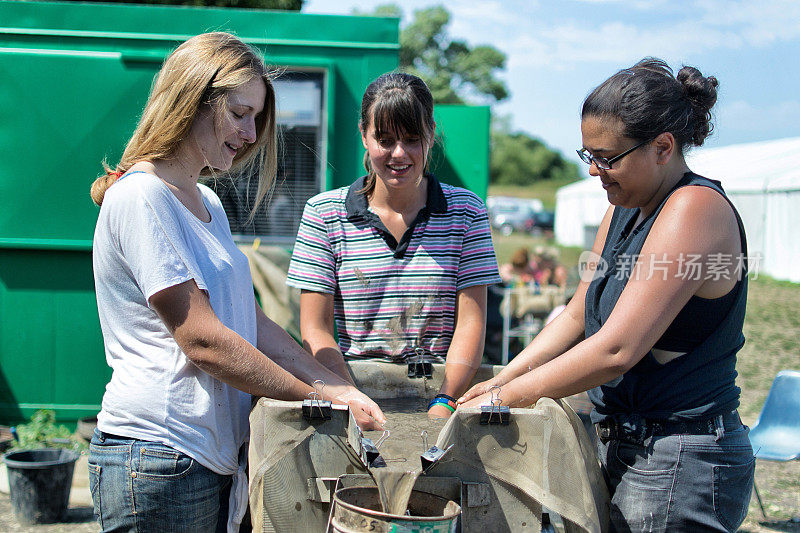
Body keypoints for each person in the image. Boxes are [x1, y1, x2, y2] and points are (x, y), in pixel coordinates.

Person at [88, 32, 385, 533]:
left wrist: (336, 388)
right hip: (157, 455)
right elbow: (204, 341)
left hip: (202, 457)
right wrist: (312, 401)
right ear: (190, 100)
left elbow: (250, 322)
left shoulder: (209, 205)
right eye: (240, 113)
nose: (251, 134)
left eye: (257, 118)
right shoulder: (141, 196)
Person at [460, 58, 754, 532]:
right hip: (623, 441)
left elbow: (617, 349)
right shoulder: (624, 208)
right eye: (588, 155)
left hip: (678, 458)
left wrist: (505, 399)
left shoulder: (694, 208)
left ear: (663, 147)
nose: (596, 171)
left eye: (609, 157)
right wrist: (501, 380)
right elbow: (577, 314)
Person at [287, 72, 501, 418]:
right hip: (352, 392)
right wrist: (347, 397)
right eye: (384, 139)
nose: (398, 154)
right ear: (364, 136)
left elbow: (471, 323)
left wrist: (446, 399)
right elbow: (316, 329)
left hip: (443, 394)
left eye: (412, 139)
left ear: (431, 134)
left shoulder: (467, 212)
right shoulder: (323, 214)